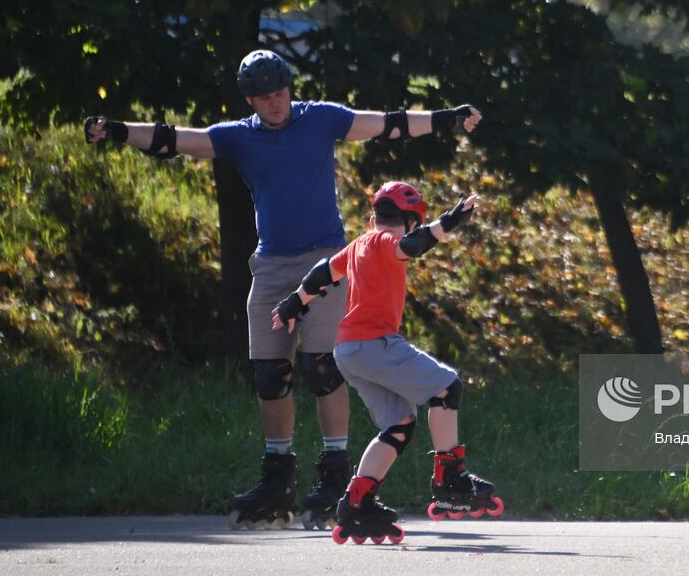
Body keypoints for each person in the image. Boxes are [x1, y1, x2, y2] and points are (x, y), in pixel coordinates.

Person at [83, 49, 482, 529]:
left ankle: (335, 474)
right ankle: (278, 478)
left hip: (326, 260)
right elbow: (175, 140)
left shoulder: (321, 120)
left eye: (279, 93)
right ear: (250, 99)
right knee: (269, 372)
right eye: (262, 97)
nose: (273, 103)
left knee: (323, 368)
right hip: (271, 264)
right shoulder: (239, 137)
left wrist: (448, 118)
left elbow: (388, 124)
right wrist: (119, 130)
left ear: (289, 89)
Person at [271, 180, 501, 546]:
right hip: (374, 343)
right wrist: (450, 221)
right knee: (447, 387)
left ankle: (357, 502)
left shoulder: (358, 245)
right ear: (410, 220)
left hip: (348, 351)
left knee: (399, 424)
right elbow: (412, 245)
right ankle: (450, 477)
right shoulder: (384, 241)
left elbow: (321, 272)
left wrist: (292, 305)